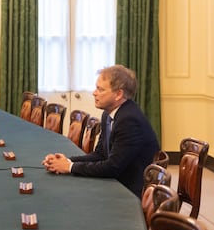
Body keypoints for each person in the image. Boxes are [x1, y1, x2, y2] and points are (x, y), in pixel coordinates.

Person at [42, 64, 159, 197]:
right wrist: (67, 161)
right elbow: (100, 154)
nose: (94, 93)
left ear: (118, 94)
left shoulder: (129, 120)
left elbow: (112, 167)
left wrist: (69, 167)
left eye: (100, 89)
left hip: (130, 192)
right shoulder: (109, 114)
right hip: (116, 182)